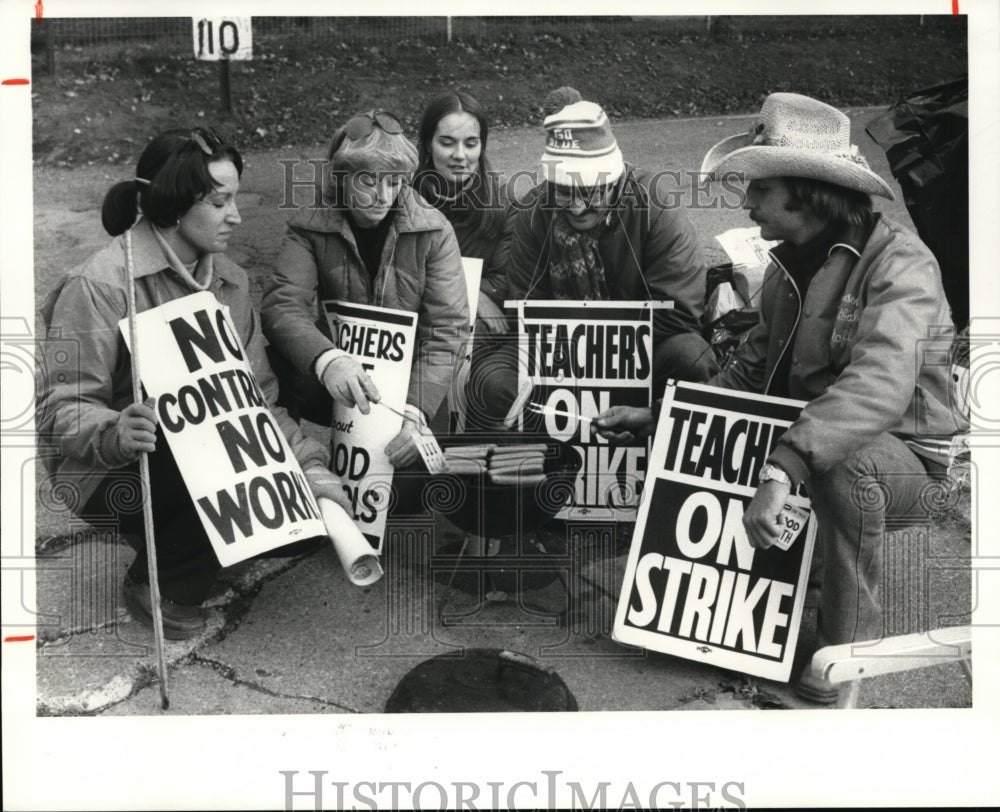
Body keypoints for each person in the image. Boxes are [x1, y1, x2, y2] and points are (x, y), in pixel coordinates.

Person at [594, 93, 967, 702]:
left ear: (806, 191)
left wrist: (782, 465)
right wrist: (659, 419)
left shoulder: (904, 266)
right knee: (788, 453)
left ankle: (838, 672)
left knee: (846, 468)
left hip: (905, 463)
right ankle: (804, 574)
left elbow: (879, 384)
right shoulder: (788, 267)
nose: (746, 203)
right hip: (814, 442)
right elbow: (748, 378)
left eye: (759, 189)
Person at [37, 128, 351, 641]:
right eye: (220, 201)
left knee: (308, 526)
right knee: (189, 452)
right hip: (111, 470)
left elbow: (257, 401)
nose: (237, 215)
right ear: (174, 205)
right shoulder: (101, 283)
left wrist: (311, 467)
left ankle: (194, 537)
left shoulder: (230, 281)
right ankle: (157, 583)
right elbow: (61, 410)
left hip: (201, 460)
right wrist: (118, 427)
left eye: (235, 198)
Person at [465, 98, 717, 430]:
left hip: (644, 348)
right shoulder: (532, 211)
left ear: (615, 180)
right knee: (493, 381)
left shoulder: (656, 206)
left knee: (691, 357)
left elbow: (680, 313)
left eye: (592, 192)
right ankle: (538, 463)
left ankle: (662, 454)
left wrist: (600, 349)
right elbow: (527, 309)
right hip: (559, 350)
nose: (579, 207)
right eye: (565, 193)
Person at [261, 109, 469, 457]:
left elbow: (448, 328)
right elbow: (282, 305)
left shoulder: (434, 230)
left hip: (411, 384)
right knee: (273, 366)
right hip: (338, 376)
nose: (383, 196)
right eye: (369, 181)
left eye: (394, 181)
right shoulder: (309, 226)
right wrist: (328, 360)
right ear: (342, 177)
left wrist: (416, 410)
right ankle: (292, 471)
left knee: (409, 490)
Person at [414, 90, 510, 337]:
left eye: (470, 143)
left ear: (482, 146)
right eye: (447, 143)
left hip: (472, 328)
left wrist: (479, 296)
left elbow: (502, 282)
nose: (460, 155)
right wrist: (471, 291)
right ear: (428, 143)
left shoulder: (506, 204)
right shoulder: (403, 197)